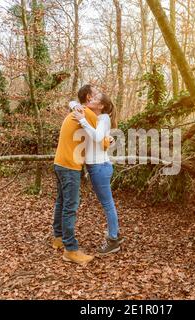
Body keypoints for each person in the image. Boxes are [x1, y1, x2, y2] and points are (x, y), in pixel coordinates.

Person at [52, 84, 99, 265]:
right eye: (96, 94)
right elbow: (100, 140)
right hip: (70, 166)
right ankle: (70, 249)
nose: (98, 97)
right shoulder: (88, 114)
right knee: (70, 206)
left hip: (60, 162)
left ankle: (58, 238)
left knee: (62, 202)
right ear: (88, 97)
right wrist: (109, 140)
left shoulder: (74, 112)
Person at [72, 93, 124, 255]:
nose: (90, 100)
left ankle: (113, 240)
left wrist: (81, 120)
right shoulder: (96, 117)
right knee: (107, 203)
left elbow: (96, 137)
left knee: (108, 204)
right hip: (98, 166)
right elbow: (72, 101)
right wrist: (74, 105)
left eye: (94, 99)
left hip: (99, 168)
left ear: (101, 106)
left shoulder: (103, 119)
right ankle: (114, 234)